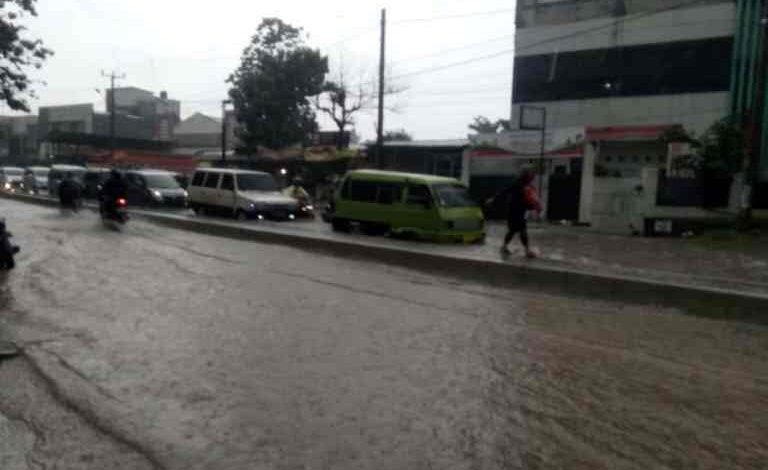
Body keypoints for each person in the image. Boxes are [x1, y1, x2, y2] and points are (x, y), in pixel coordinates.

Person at [493, 169, 542, 258]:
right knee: (519, 231)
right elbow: (504, 192)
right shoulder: (517, 184)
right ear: (525, 176)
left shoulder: (527, 186)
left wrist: (535, 207)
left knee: (515, 231)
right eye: (530, 176)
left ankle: (505, 247)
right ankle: (526, 251)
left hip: (519, 212)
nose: (532, 178)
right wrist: (494, 199)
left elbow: (529, 200)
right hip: (513, 212)